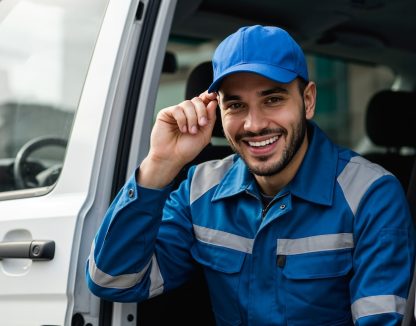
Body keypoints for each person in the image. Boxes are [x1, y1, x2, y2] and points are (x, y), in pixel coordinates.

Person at [86, 25, 415, 325]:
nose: (254, 125)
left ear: (308, 100)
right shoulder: (199, 188)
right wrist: (160, 163)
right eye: (236, 105)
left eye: (272, 99)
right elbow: (113, 280)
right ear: (217, 110)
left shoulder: (371, 194)